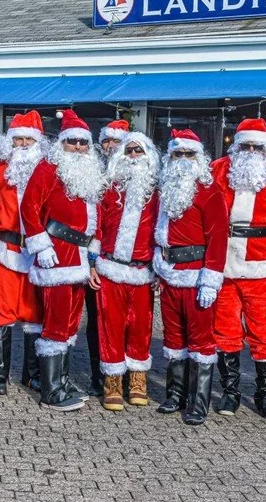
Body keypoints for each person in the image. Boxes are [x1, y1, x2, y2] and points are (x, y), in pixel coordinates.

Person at [20, 109, 106, 411]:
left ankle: (63, 380)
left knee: (70, 323)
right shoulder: (47, 168)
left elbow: (96, 217)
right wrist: (41, 246)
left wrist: (93, 258)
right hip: (56, 254)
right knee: (56, 322)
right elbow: (29, 207)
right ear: (62, 143)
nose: (79, 149)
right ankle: (50, 390)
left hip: (80, 257)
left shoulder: (92, 172)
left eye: (84, 143)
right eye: (73, 143)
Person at [210, 118, 266, 419]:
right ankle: (230, 393)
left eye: (258, 147)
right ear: (236, 146)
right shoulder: (217, 171)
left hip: (263, 265)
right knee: (225, 329)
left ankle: (265, 393)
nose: (252, 151)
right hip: (225, 263)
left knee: (264, 331)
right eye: (246, 145)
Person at [153, 129, 229, 426]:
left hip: (197, 275)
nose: (183, 160)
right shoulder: (164, 189)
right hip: (169, 273)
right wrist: (157, 265)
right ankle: (175, 394)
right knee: (173, 337)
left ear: (200, 158)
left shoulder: (210, 192)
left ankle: (199, 402)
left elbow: (219, 237)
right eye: (177, 154)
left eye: (189, 154)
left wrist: (211, 279)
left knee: (200, 340)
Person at [89, 131, 160, 411]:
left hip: (143, 272)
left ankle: (138, 381)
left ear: (148, 156)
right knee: (111, 327)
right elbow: (97, 227)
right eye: (128, 151)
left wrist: (161, 269)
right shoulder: (108, 190)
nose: (132, 156)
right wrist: (92, 263)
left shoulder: (158, 193)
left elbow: (162, 233)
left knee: (141, 328)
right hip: (110, 268)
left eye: (138, 151)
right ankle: (113, 383)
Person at [0, 110, 48, 393]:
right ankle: (0, 374)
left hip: (38, 251)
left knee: (35, 312)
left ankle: (31, 374)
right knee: (0, 311)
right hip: (6, 248)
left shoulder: (49, 173)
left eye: (28, 139)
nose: (22, 144)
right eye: (18, 139)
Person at [83, 118, 132, 397]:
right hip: (96, 257)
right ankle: (98, 374)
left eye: (116, 141)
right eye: (107, 141)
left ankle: (126, 374)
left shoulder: (138, 172)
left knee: (128, 320)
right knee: (97, 319)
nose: (111, 146)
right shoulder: (93, 171)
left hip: (129, 262)